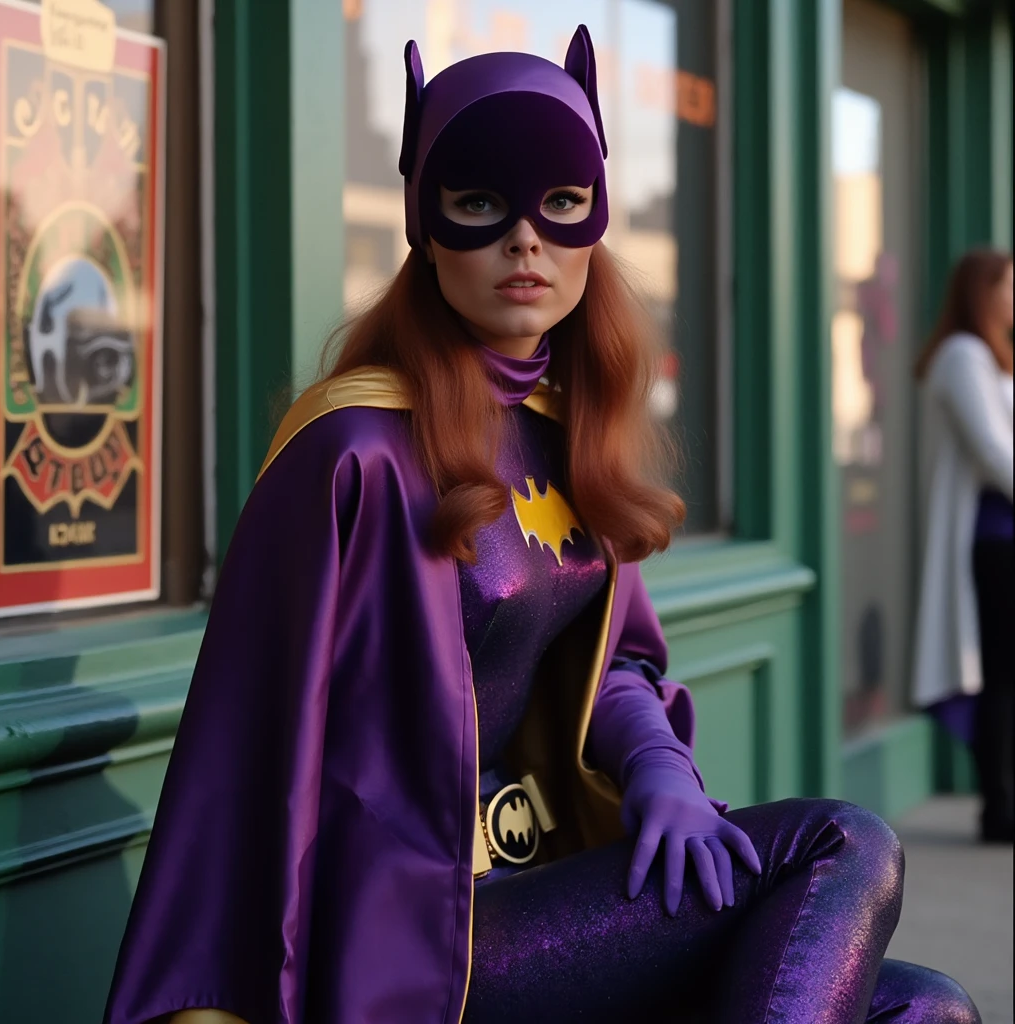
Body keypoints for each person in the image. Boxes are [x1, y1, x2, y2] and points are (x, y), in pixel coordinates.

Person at [103, 28, 980, 1024]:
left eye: (561, 205)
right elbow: (246, 737)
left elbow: (609, 663)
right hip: (417, 932)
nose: (526, 239)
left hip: (547, 882)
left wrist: (655, 764)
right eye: (479, 203)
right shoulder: (353, 452)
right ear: (423, 226)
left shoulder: (562, 427)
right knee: (843, 843)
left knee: (922, 1008)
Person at [912, 249, 1014, 843]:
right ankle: (998, 808)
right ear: (984, 292)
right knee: (1002, 675)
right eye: (1008, 286)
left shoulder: (992, 356)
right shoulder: (962, 356)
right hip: (993, 544)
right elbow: (996, 453)